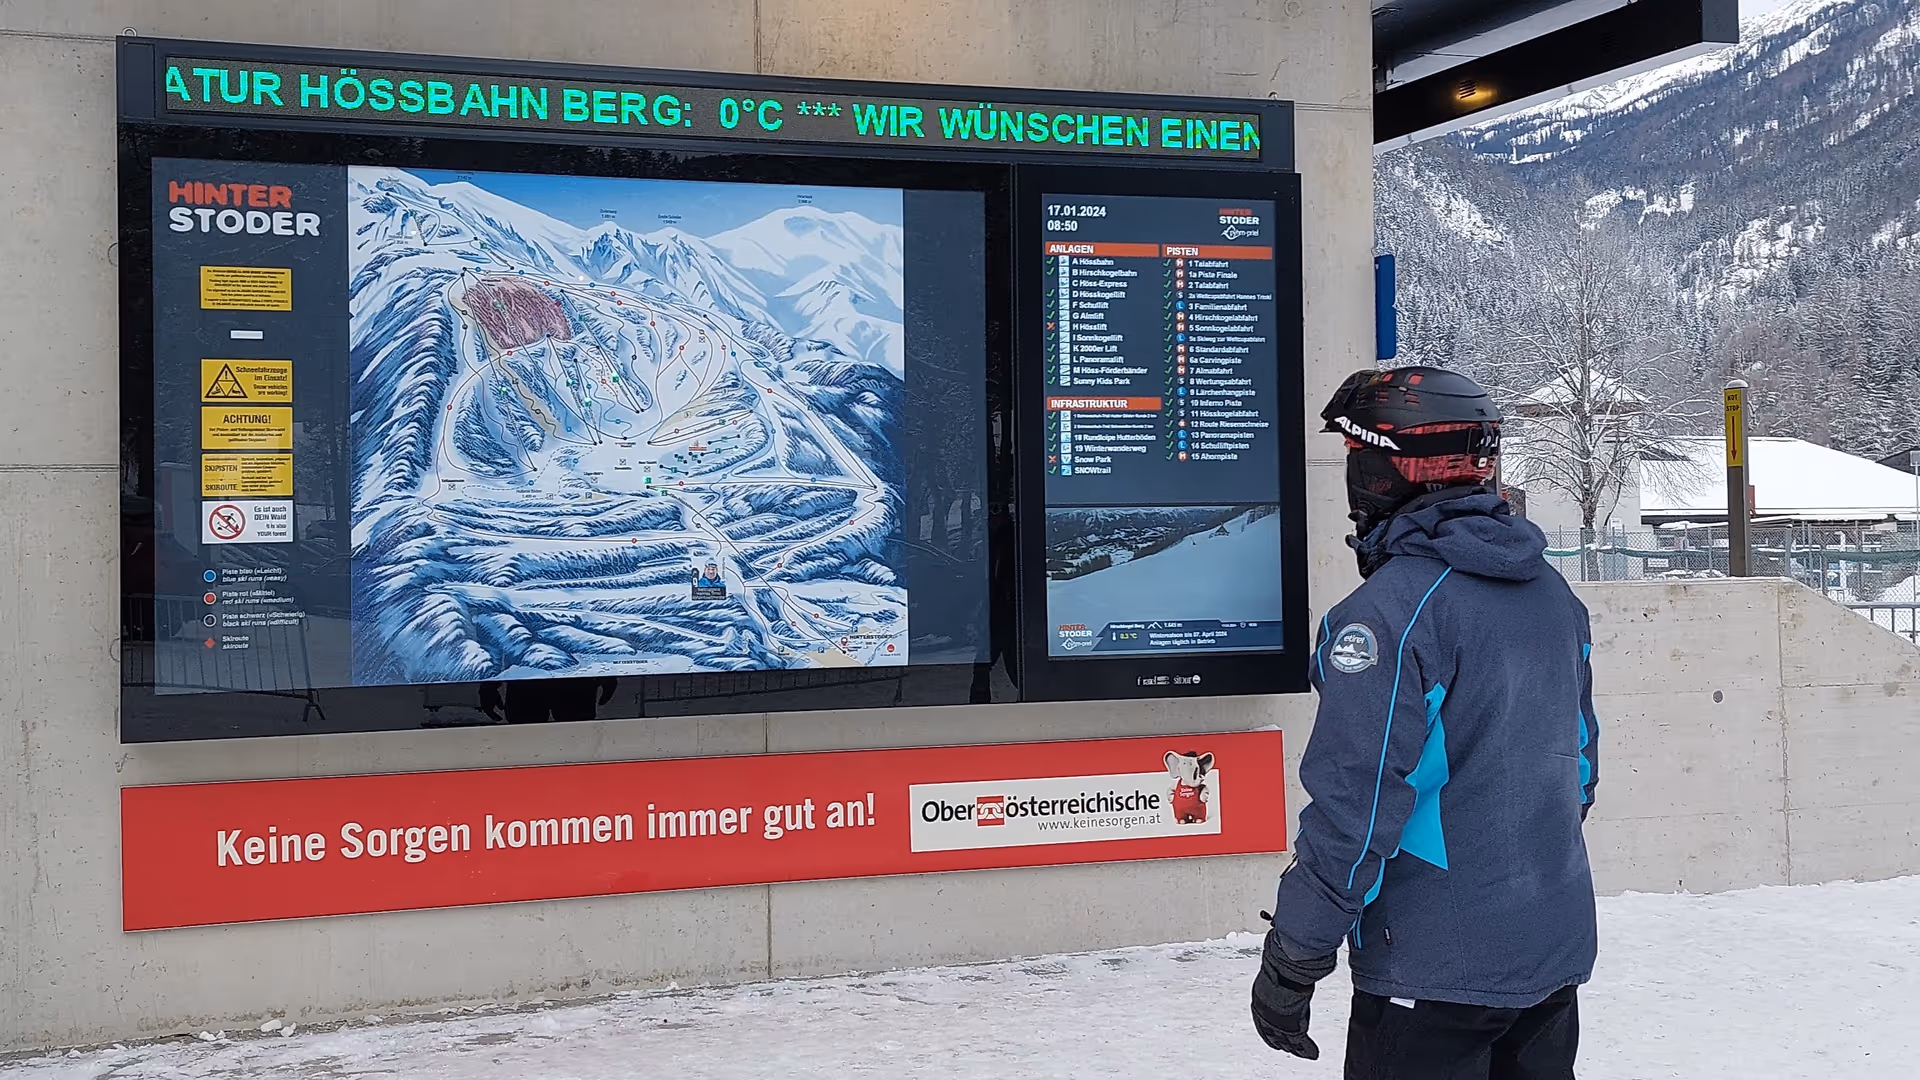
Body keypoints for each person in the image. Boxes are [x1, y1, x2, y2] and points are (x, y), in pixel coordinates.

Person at [1250, 366, 1600, 1079]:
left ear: (1384, 473)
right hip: (1549, 946)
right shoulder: (1551, 593)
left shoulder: (1389, 615)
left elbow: (1356, 805)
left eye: (1357, 458)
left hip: (1432, 967)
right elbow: (1581, 770)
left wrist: (1295, 955)